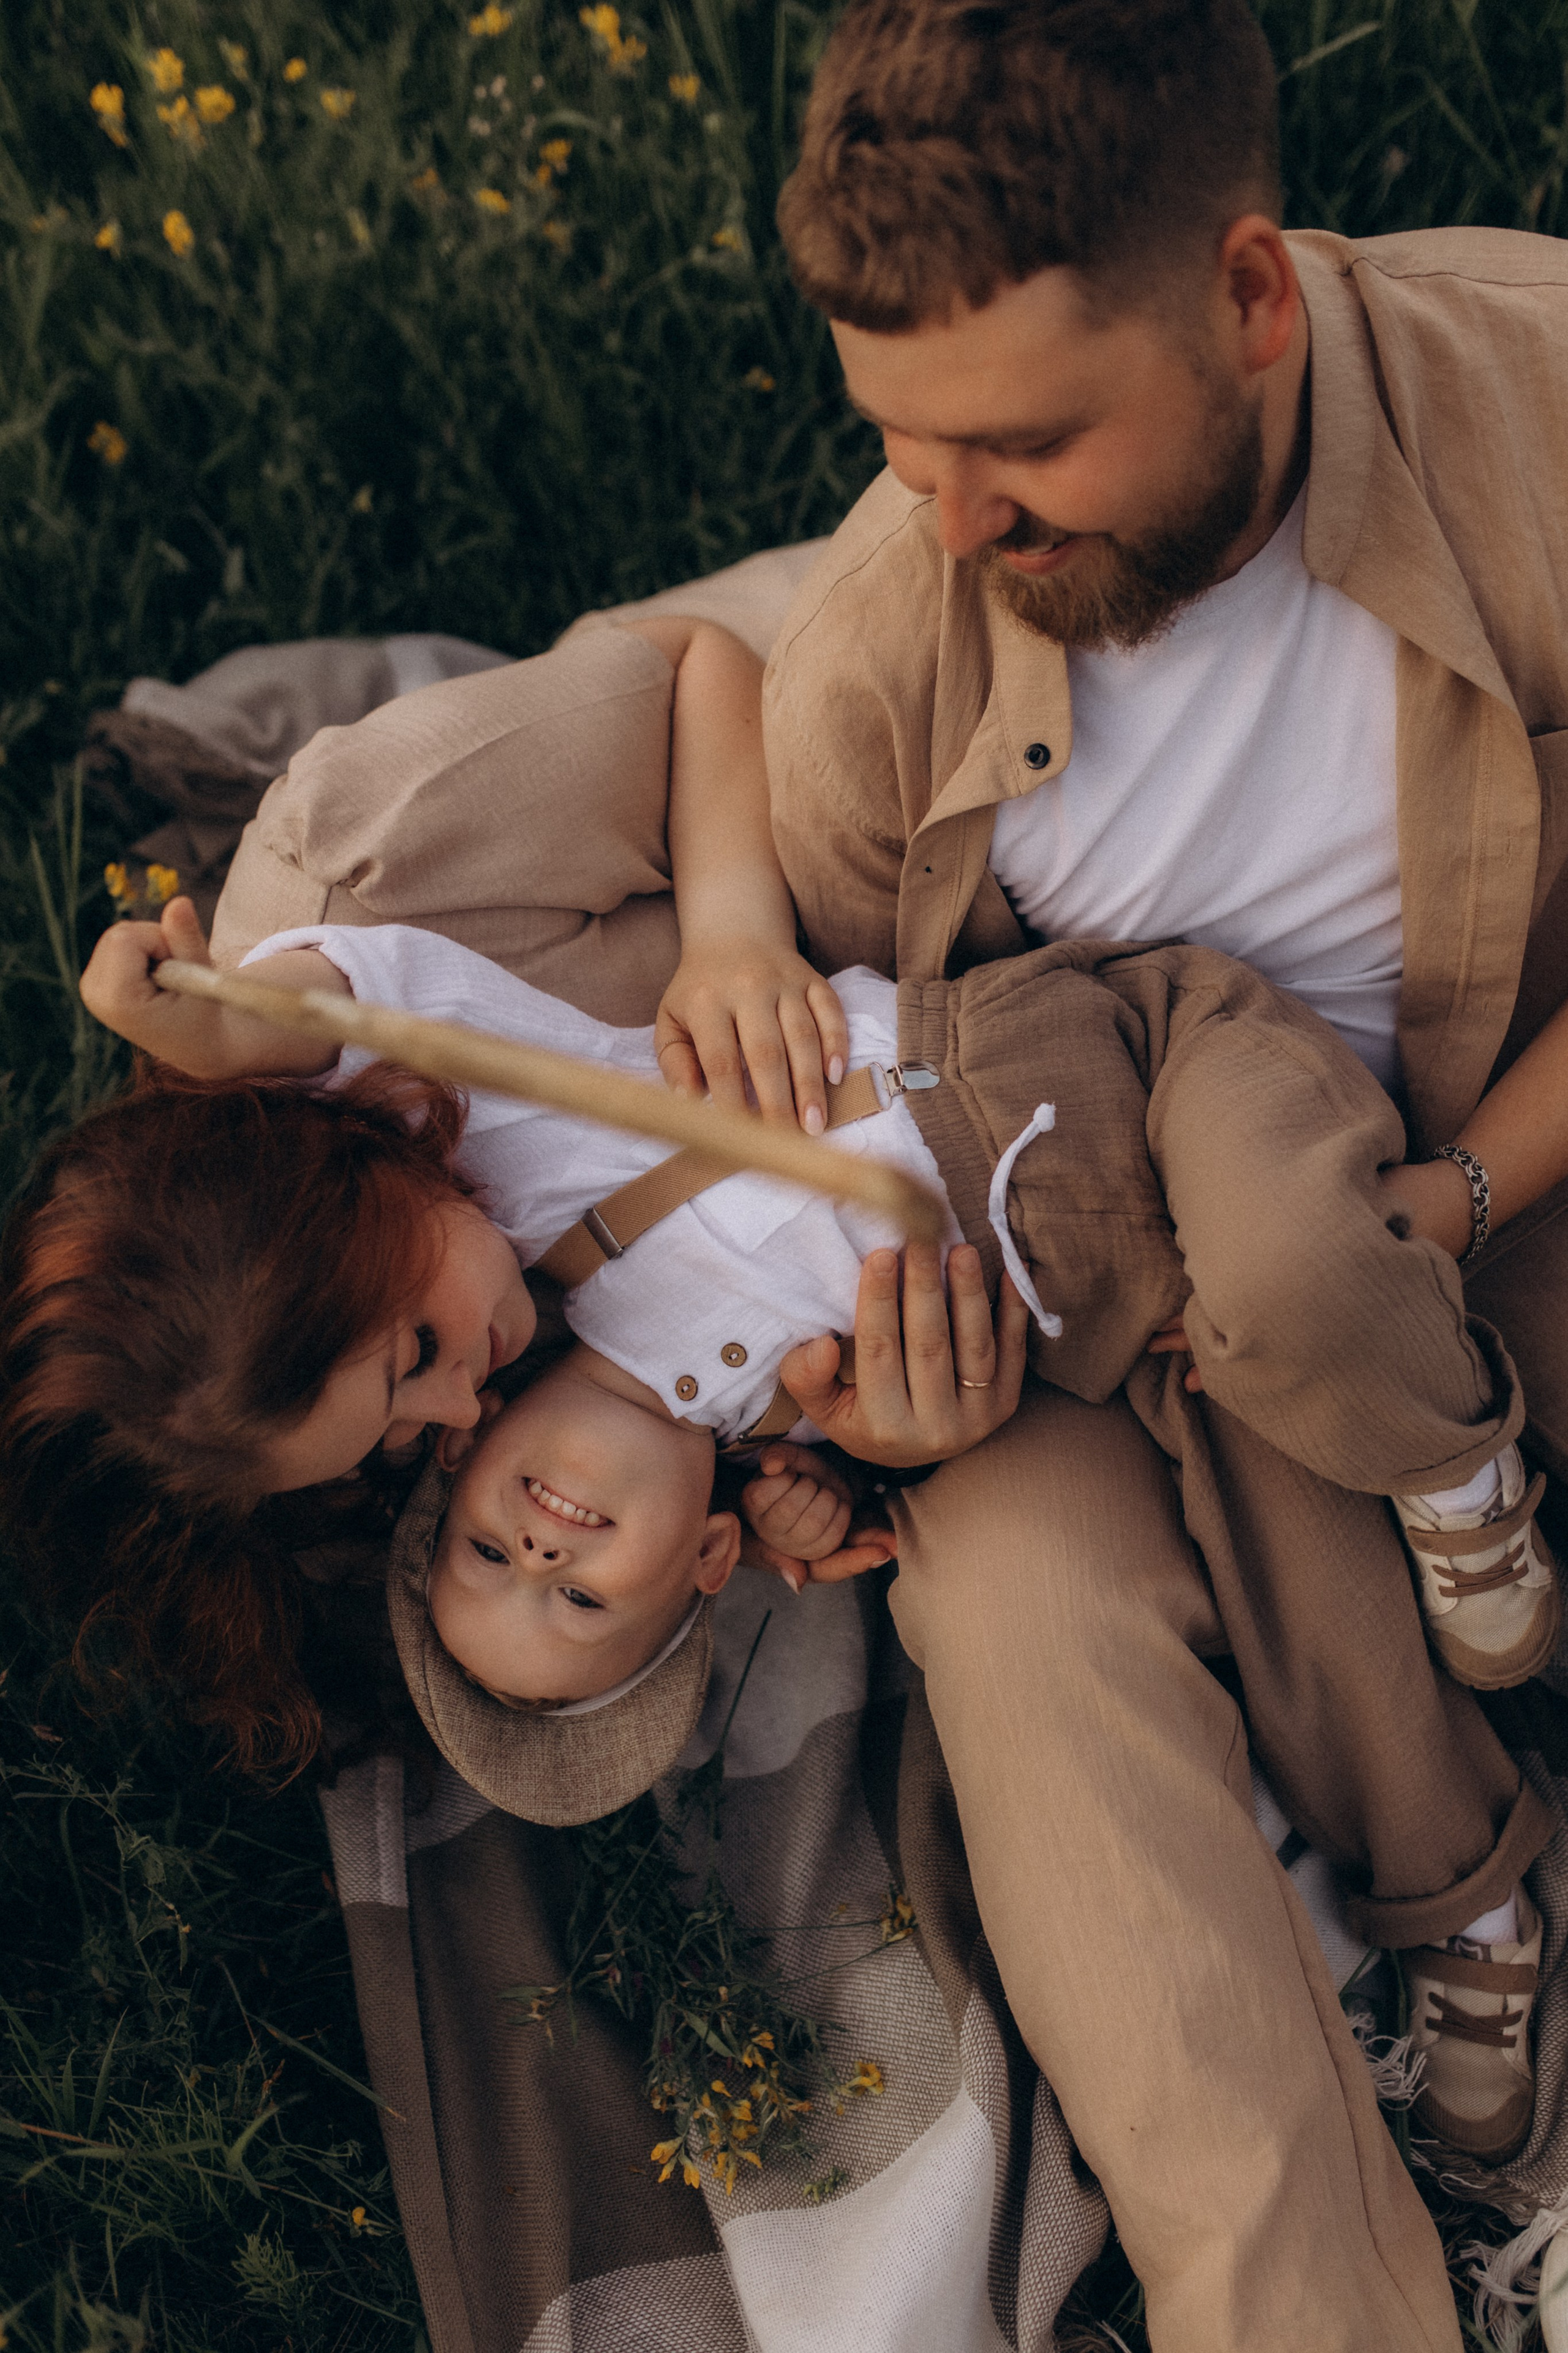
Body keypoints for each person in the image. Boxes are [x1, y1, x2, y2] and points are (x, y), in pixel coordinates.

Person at [754, 0, 1568, 2343]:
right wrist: (861, 1410)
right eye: (898, 444)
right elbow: (844, 1123)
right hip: (1107, 1321)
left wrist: (1464, 1205)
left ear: (1248, 295)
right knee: (1034, 1675)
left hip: (1497, 1146)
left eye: (1021, 442)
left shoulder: (1527, 408)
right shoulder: (867, 680)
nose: (959, 519)